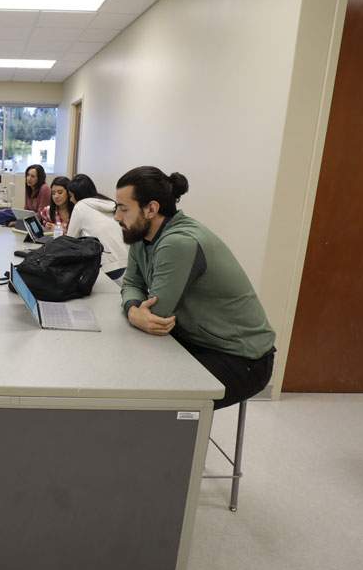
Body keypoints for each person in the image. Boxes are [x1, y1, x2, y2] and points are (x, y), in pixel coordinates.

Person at [114, 166, 276, 410]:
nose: (117, 217)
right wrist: (134, 311)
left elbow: (157, 316)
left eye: (123, 209)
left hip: (241, 358)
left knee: (148, 398)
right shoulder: (142, 235)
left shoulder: (178, 243)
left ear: (151, 209)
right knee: (127, 372)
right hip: (195, 340)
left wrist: (138, 312)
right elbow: (132, 283)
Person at [65, 174, 128, 280]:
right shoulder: (109, 203)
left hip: (105, 268)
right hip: (122, 265)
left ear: (78, 194)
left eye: (71, 196)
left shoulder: (80, 206)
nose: (70, 200)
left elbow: (70, 240)